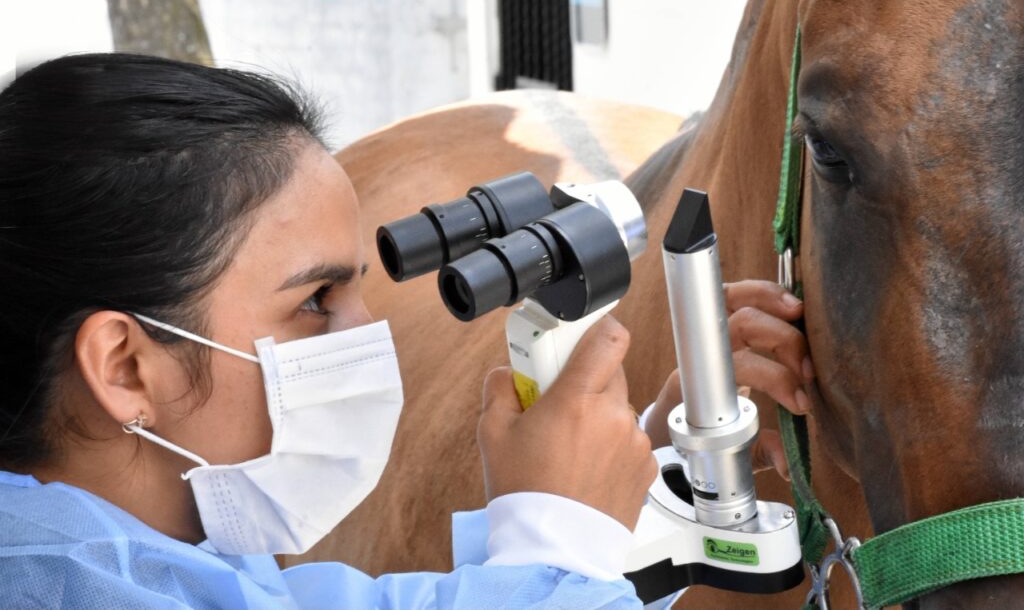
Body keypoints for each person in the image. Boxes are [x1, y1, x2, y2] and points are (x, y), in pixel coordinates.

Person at [0, 54, 814, 609]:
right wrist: (560, 546)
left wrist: (643, 468)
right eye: (315, 300)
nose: (369, 334)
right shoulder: (51, 586)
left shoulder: (176, 563)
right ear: (126, 366)